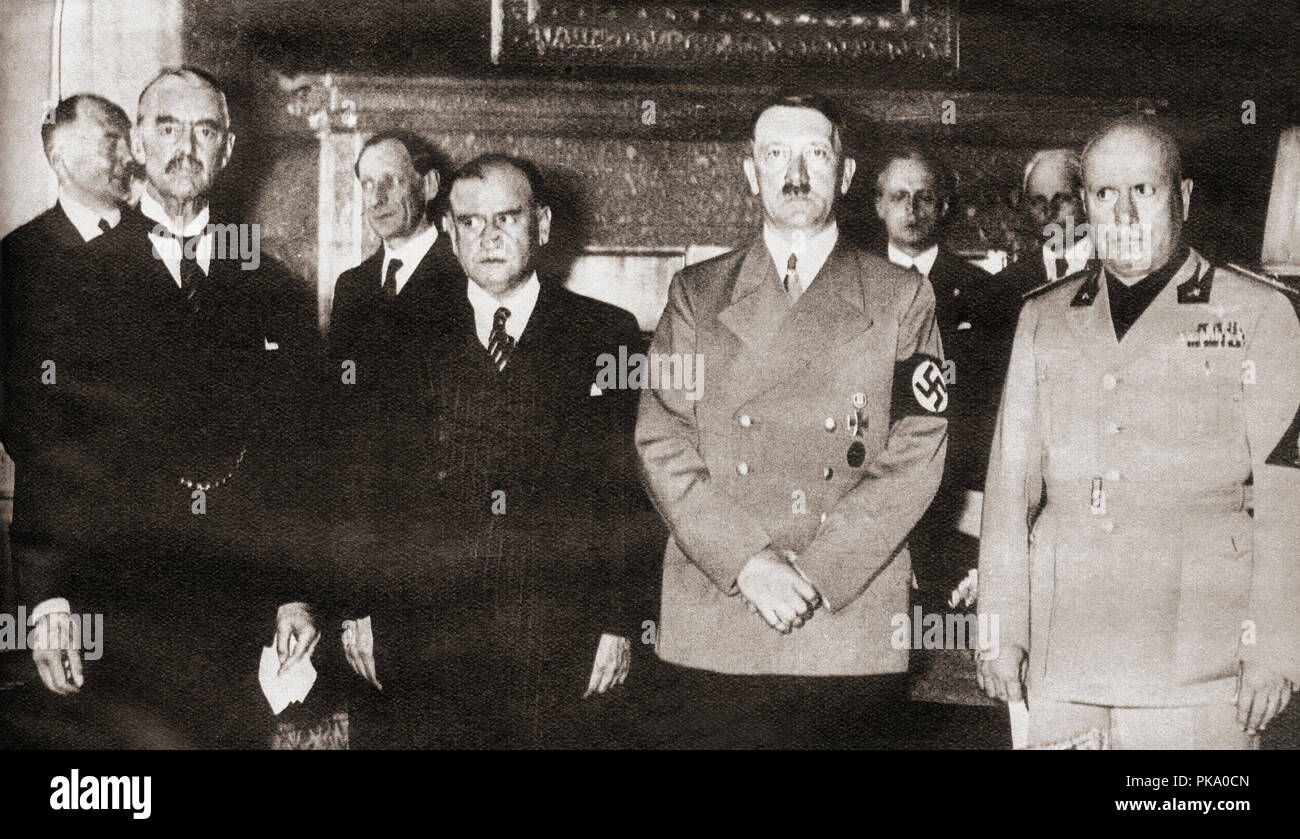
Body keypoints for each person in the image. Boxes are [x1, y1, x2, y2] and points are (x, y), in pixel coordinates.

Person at [11, 67, 320, 748]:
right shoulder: (72, 278)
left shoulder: (272, 287)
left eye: (205, 129)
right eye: (167, 127)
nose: (187, 145)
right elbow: (46, 446)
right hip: (111, 595)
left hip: (230, 604)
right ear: (137, 146)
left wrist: (293, 592)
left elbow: (296, 451)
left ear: (228, 149)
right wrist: (50, 599)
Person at [635, 93, 948, 748]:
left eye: (816, 153)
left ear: (848, 173)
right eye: (776, 154)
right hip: (720, 609)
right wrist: (749, 562)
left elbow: (920, 445)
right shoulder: (694, 293)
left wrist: (820, 570)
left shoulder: (901, 296)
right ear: (751, 172)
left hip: (847, 614)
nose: (796, 173)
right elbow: (662, 438)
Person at [977, 116, 1300, 749]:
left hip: (1201, 661)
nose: (1123, 212)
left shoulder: (1259, 313)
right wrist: (998, 629)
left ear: (1180, 198)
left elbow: (1288, 500)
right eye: (1103, 194)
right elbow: (1009, 489)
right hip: (1061, 649)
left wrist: (1277, 648)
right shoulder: (1043, 315)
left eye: (1144, 191)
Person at [315, 154, 650, 748]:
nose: (489, 237)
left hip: (557, 637)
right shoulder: (393, 334)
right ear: (449, 231)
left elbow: (630, 486)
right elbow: (359, 473)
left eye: (507, 219)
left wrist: (618, 621)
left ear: (542, 225)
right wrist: (357, 605)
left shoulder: (608, 335)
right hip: (419, 632)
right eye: (470, 222)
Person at [0, 94, 133, 682]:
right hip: (71, 552)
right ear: (58, 155)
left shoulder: (166, 248)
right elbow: (28, 433)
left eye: (128, 137)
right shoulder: (17, 261)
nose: (128, 154)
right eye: (110, 139)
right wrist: (48, 596)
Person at [875, 145, 1017, 605]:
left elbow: (995, 404)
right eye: (898, 197)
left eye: (924, 197)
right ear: (879, 205)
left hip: (955, 490)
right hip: (873, 487)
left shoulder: (983, 291)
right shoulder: (853, 286)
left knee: (945, 617)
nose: (911, 210)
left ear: (944, 206)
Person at [1000, 148, 1092, 294]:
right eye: (1038, 202)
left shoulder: (1119, 271)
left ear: (1085, 200)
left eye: (1063, 199)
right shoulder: (1006, 283)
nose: (1050, 213)